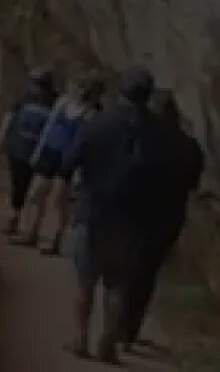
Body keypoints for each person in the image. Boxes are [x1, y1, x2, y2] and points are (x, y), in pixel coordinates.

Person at [60, 66, 158, 364]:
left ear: (121, 91)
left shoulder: (99, 123)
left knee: (84, 281)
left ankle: (79, 339)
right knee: (117, 285)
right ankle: (107, 344)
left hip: (92, 209)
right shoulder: (154, 133)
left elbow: (68, 162)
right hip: (130, 219)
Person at [121, 89, 204, 350]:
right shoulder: (190, 147)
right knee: (147, 274)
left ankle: (114, 324)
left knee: (124, 269)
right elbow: (192, 184)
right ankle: (129, 330)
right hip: (168, 218)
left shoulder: (140, 137)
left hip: (134, 212)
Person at [14, 76, 105, 253]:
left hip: (68, 158)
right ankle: (30, 230)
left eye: (82, 88)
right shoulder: (63, 103)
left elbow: (86, 141)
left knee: (58, 200)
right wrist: (38, 151)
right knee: (35, 193)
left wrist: (80, 169)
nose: (78, 91)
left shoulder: (91, 113)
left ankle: (54, 238)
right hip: (50, 151)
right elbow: (48, 127)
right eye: (77, 86)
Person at [0, 67, 58, 235]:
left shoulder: (55, 102)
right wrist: (1, 138)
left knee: (33, 192)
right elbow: (9, 117)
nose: (36, 86)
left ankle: (28, 228)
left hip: (38, 153)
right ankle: (15, 221)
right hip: (20, 149)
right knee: (18, 187)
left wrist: (1, 139)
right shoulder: (26, 98)